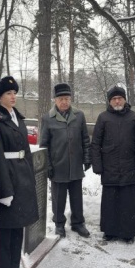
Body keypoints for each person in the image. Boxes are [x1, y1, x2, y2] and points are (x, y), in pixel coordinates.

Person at [0, 76, 39, 268]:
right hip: (6, 175)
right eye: (8, 93)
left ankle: (14, 266)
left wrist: (30, 176)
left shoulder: (17, 117)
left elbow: (26, 150)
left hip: (22, 175)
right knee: (4, 227)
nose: (13, 96)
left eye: (14, 93)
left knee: (18, 224)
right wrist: (4, 188)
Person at [92, 87, 135, 243]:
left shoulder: (133, 117)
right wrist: (97, 165)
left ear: (125, 99)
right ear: (109, 101)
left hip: (129, 166)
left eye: (120, 98)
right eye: (114, 99)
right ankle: (110, 231)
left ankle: (129, 232)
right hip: (110, 166)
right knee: (110, 201)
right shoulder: (103, 118)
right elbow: (96, 143)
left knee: (128, 201)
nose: (117, 101)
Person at [41, 83, 91, 238]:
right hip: (58, 166)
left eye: (67, 99)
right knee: (59, 198)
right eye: (61, 99)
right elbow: (44, 145)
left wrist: (87, 158)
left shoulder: (79, 116)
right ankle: (59, 223)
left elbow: (85, 139)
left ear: (70, 99)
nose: (64, 102)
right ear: (55, 100)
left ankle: (78, 223)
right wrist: (48, 165)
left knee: (77, 197)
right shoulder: (48, 119)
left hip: (75, 164)